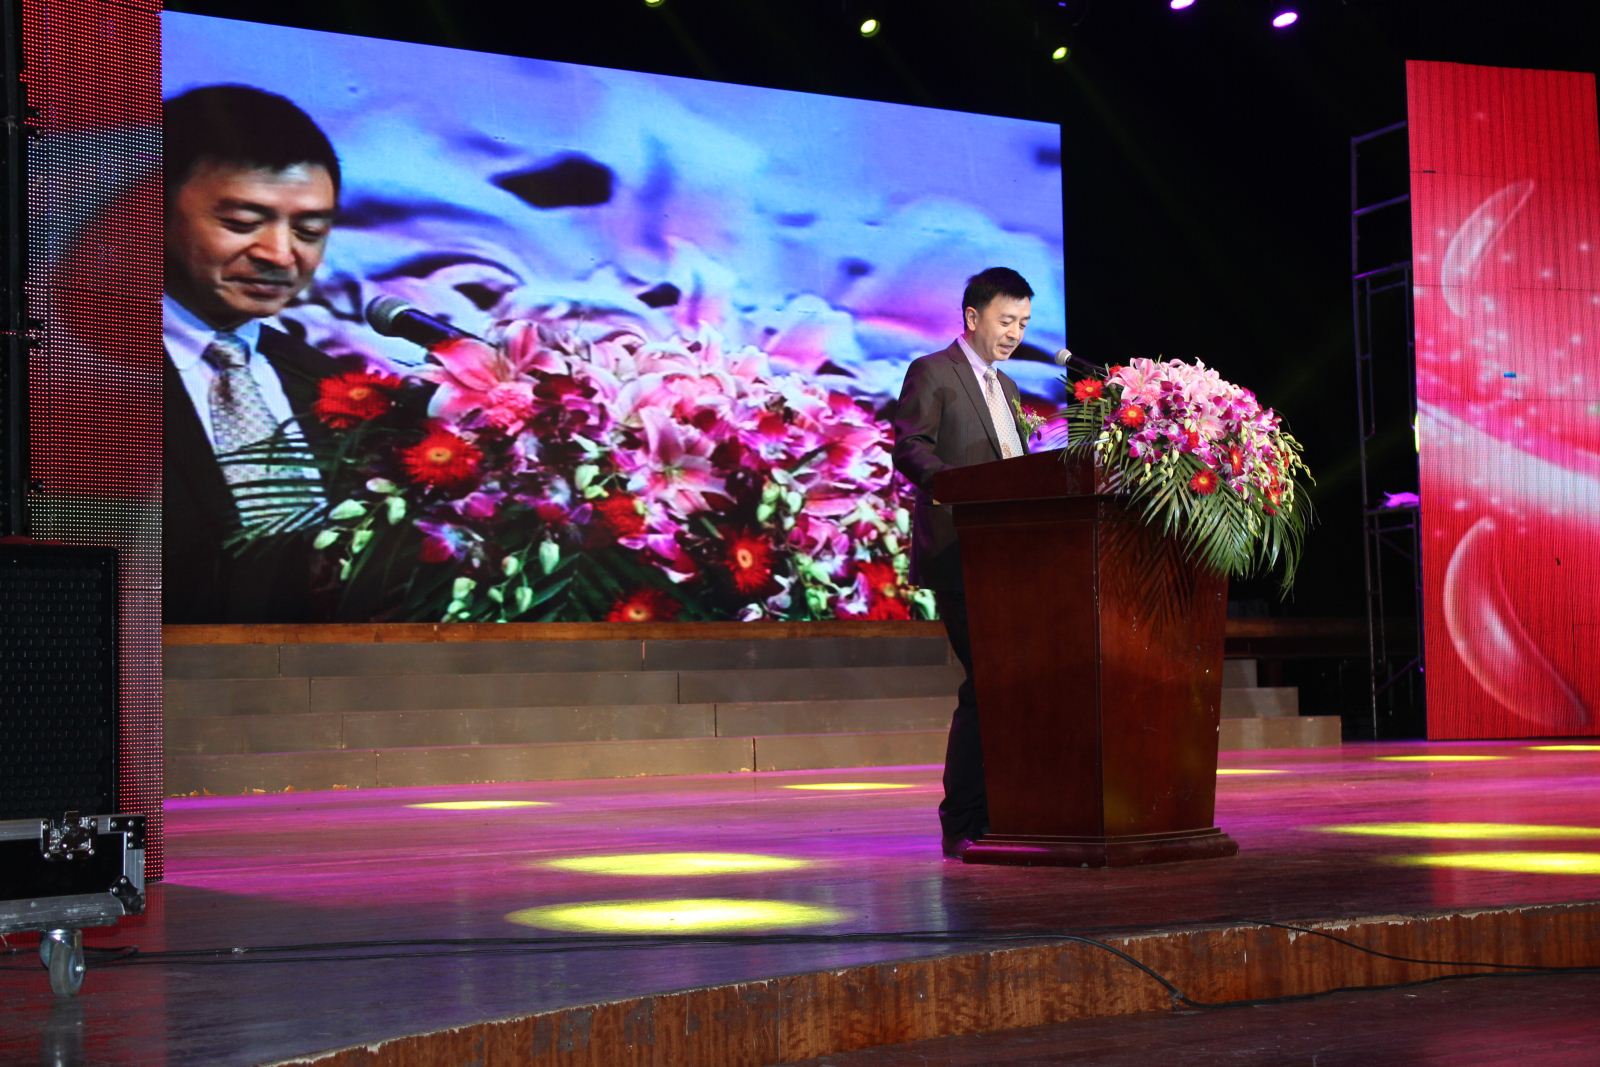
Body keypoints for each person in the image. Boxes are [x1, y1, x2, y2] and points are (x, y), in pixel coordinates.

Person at [162, 84, 343, 623]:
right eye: (242, 224)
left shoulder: (327, 385)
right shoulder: (75, 367)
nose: (280, 255)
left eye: (309, 231)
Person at [892, 266, 1034, 859]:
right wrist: (959, 486)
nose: (1015, 333)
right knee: (987, 682)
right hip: (960, 552)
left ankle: (1001, 811)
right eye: (1006, 320)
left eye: (1023, 323)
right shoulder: (933, 371)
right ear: (973, 317)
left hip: (1011, 559)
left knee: (1004, 686)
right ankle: (964, 820)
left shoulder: (1009, 388)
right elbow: (910, 446)